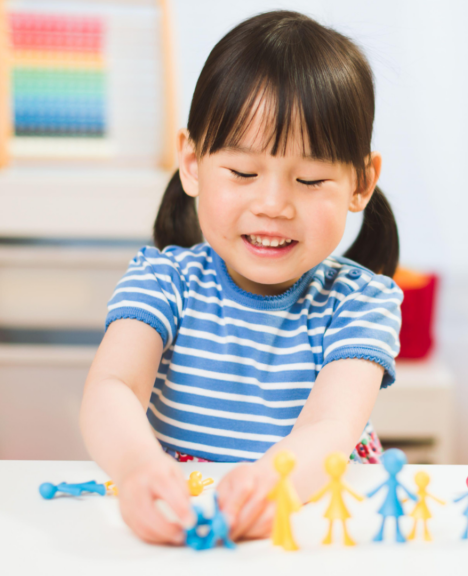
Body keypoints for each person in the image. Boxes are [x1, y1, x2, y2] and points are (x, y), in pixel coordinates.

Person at [79, 10, 401, 545]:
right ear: (192, 163)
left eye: (310, 179)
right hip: (183, 521)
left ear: (360, 183)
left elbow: (330, 426)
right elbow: (113, 386)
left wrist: (273, 484)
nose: (273, 204)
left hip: (306, 524)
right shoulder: (163, 282)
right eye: (243, 173)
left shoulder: (362, 302)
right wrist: (137, 469)